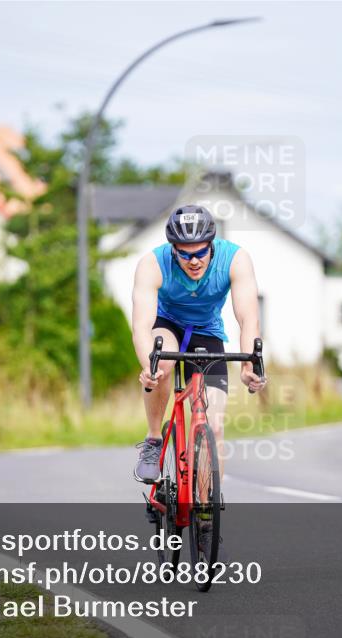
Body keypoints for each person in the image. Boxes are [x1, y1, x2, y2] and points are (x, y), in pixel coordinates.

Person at [130, 204, 267, 554]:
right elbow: (142, 325)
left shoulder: (235, 260)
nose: (193, 260)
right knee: (161, 362)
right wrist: (148, 363)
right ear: (173, 249)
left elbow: (247, 317)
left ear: (212, 243)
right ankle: (153, 438)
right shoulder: (152, 263)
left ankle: (206, 504)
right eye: (185, 254)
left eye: (201, 252)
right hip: (167, 326)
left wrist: (251, 363)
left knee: (214, 424)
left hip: (208, 333)